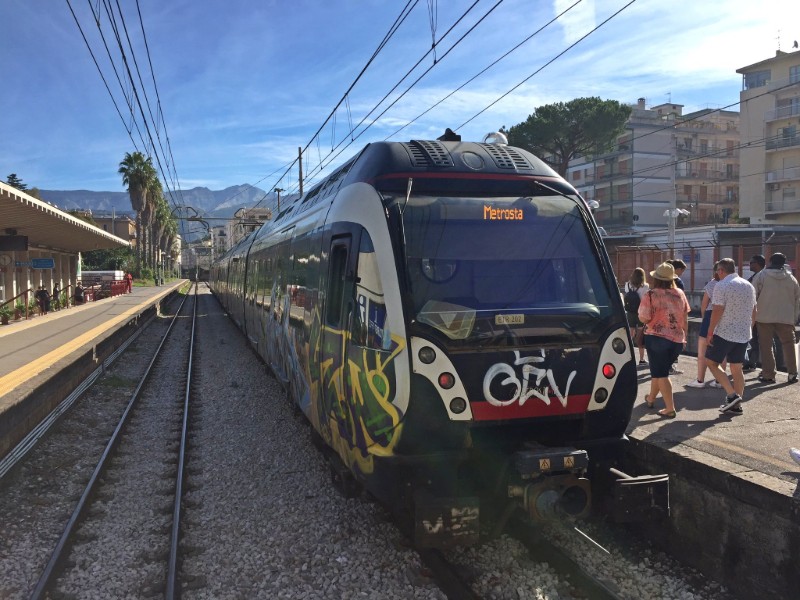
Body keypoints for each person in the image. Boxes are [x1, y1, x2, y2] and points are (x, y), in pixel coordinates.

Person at [638, 262, 691, 418]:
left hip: (656, 338)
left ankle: (670, 408)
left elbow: (644, 318)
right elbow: (685, 318)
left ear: (657, 278)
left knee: (662, 375)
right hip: (677, 339)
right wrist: (684, 337)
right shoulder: (680, 293)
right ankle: (651, 398)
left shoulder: (651, 294)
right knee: (658, 371)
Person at [705, 258, 757, 414]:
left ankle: (732, 394)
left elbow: (717, 310)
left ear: (721, 270)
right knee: (737, 368)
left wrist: (710, 331)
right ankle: (737, 405)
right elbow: (754, 310)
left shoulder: (722, 286)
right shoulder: (749, 286)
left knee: (712, 362)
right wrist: (749, 328)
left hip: (724, 332)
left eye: (718, 272)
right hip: (743, 333)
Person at [751, 253, 800, 384]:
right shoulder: (792, 279)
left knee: (766, 346)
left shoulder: (761, 275)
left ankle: (769, 374)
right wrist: (794, 318)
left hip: (764, 316)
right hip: (786, 317)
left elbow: (753, 295)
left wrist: (752, 316)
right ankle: (792, 373)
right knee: (789, 345)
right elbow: (797, 300)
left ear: (771, 261)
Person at [686, 261, 725, 388]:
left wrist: (704, 319)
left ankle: (700, 380)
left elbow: (704, 304)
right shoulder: (730, 284)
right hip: (725, 317)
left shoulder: (712, 284)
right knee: (722, 351)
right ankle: (719, 381)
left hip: (710, 315)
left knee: (702, 349)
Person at [743, 254, 766, 371]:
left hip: (759, 314)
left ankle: (753, 363)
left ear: (757, 264)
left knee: (762, 341)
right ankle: (751, 363)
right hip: (755, 313)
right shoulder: (755, 277)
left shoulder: (762, 277)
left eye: (751, 262)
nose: (749, 265)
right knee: (753, 339)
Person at [624, 267, 649, 365]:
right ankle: (642, 359)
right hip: (641, 313)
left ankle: (628, 357)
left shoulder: (628, 285)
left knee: (630, 334)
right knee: (640, 337)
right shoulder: (645, 287)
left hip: (630, 313)